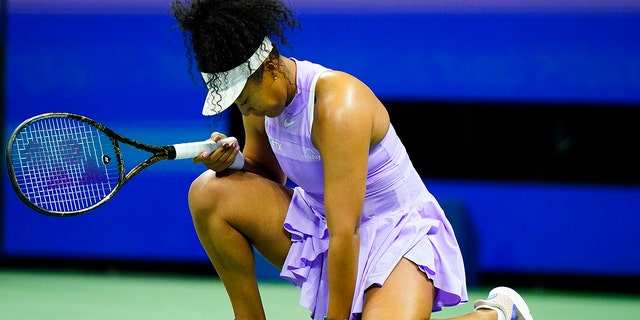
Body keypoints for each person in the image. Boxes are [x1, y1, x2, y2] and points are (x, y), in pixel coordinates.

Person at [170, 1, 534, 320]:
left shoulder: (338, 109)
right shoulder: (260, 106)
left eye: (243, 97)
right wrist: (231, 165)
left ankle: (497, 314)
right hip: (320, 223)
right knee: (208, 193)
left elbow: (347, 232)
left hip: (393, 235)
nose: (242, 108)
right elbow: (266, 176)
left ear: (269, 67)